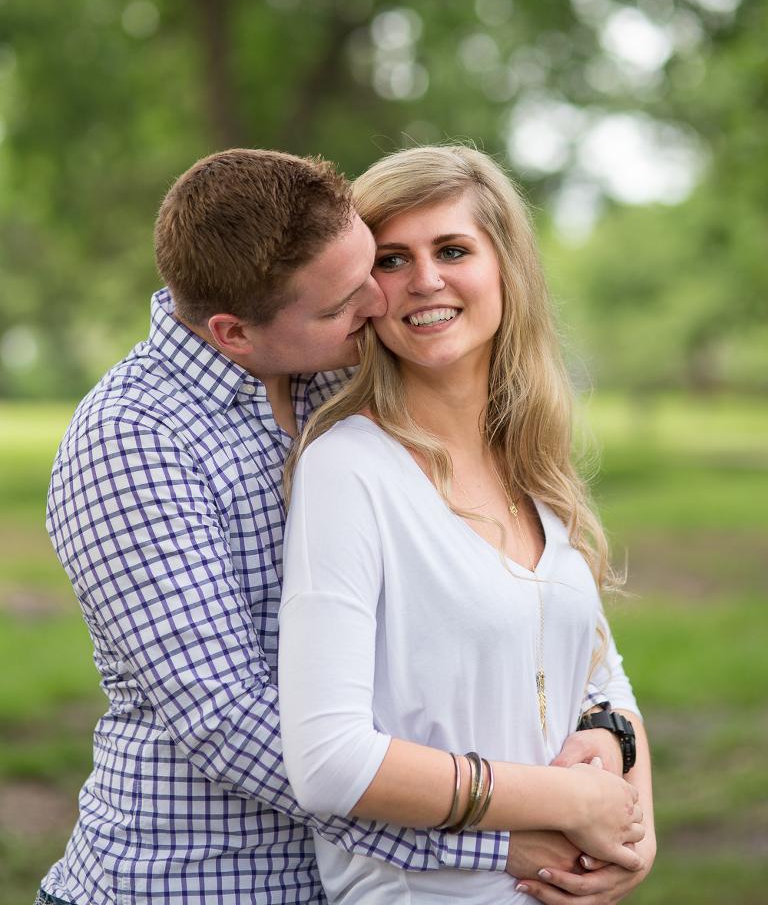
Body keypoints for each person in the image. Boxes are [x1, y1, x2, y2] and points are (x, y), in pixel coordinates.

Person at [37, 148, 621, 905]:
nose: (378, 306)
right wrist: (495, 836)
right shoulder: (133, 440)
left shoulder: (329, 373)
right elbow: (227, 720)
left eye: (365, 275)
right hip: (195, 880)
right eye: (344, 301)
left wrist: (610, 746)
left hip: (353, 880)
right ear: (233, 333)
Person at [279, 145, 656, 904]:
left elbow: (603, 681)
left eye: (453, 249)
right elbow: (329, 760)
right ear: (363, 289)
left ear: (505, 269)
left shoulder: (533, 465)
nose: (425, 280)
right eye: (392, 259)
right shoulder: (348, 467)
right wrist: (570, 804)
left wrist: (633, 833)